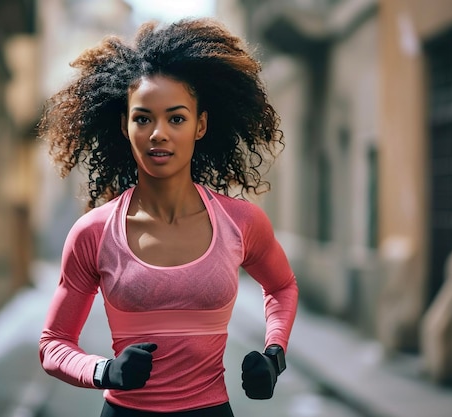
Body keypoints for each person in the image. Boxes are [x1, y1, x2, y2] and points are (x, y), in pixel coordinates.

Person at [38, 17, 299, 417]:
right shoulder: (93, 232)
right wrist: (105, 370)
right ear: (125, 127)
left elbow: (281, 287)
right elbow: (54, 343)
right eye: (143, 118)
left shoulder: (242, 222)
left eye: (176, 118)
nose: (158, 133)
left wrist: (274, 354)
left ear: (201, 125)